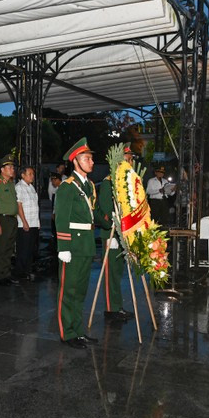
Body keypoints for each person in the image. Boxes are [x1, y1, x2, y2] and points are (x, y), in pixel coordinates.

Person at [54, 137, 99, 349]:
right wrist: (63, 247)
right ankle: (67, 333)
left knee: (80, 291)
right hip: (72, 245)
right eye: (86, 158)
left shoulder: (89, 186)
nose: (90, 162)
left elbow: (93, 215)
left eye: (90, 158)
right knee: (68, 290)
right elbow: (61, 218)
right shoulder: (67, 187)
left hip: (86, 245)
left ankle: (78, 331)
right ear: (76, 161)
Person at [95, 144, 135, 322]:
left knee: (118, 272)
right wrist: (113, 226)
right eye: (127, 159)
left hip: (123, 233)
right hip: (111, 234)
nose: (130, 162)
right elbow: (104, 209)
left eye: (131, 159)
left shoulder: (126, 182)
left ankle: (117, 306)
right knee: (111, 272)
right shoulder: (108, 182)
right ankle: (111, 309)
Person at [0, 154, 19, 286]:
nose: (12, 169)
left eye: (12, 167)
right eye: (9, 167)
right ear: (2, 169)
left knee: (9, 248)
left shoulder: (10, 183)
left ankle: (6, 273)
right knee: (1, 248)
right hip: (3, 219)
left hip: (12, 219)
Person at [14, 165, 40, 280]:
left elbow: (35, 206)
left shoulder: (31, 187)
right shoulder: (19, 187)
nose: (32, 176)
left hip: (33, 223)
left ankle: (27, 271)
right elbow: (19, 206)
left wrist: (38, 222)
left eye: (33, 174)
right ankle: (20, 273)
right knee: (23, 250)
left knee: (30, 250)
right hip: (24, 224)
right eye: (30, 174)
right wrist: (24, 222)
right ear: (22, 175)